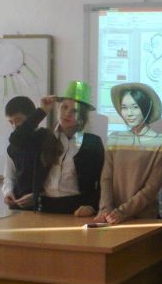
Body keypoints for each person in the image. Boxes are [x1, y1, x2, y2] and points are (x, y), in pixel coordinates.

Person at [9, 81, 104, 214]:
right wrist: (42, 111)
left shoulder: (92, 142)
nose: (67, 113)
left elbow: (101, 180)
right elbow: (16, 140)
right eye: (64, 107)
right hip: (44, 208)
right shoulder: (43, 137)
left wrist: (92, 206)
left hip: (76, 209)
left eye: (74, 111)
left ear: (82, 117)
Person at [96, 83, 162, 224]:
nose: (129, 113)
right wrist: (106, 208)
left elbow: (152, 188)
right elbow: (106, 178)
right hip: (111, 218)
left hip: (144, 219)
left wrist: (123, 212)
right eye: (124, 107)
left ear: (146, 108)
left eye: (135, 107)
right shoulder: (114, 138)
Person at [3, 96, 38, 210]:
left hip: (41, 207)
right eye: (11, 122)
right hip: (17, 207)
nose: (14, 126)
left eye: (18, 120)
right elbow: (9, 176)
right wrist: (8, 192)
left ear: (32, 118)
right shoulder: (12, 147)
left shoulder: (46, 141)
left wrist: (37, 196)